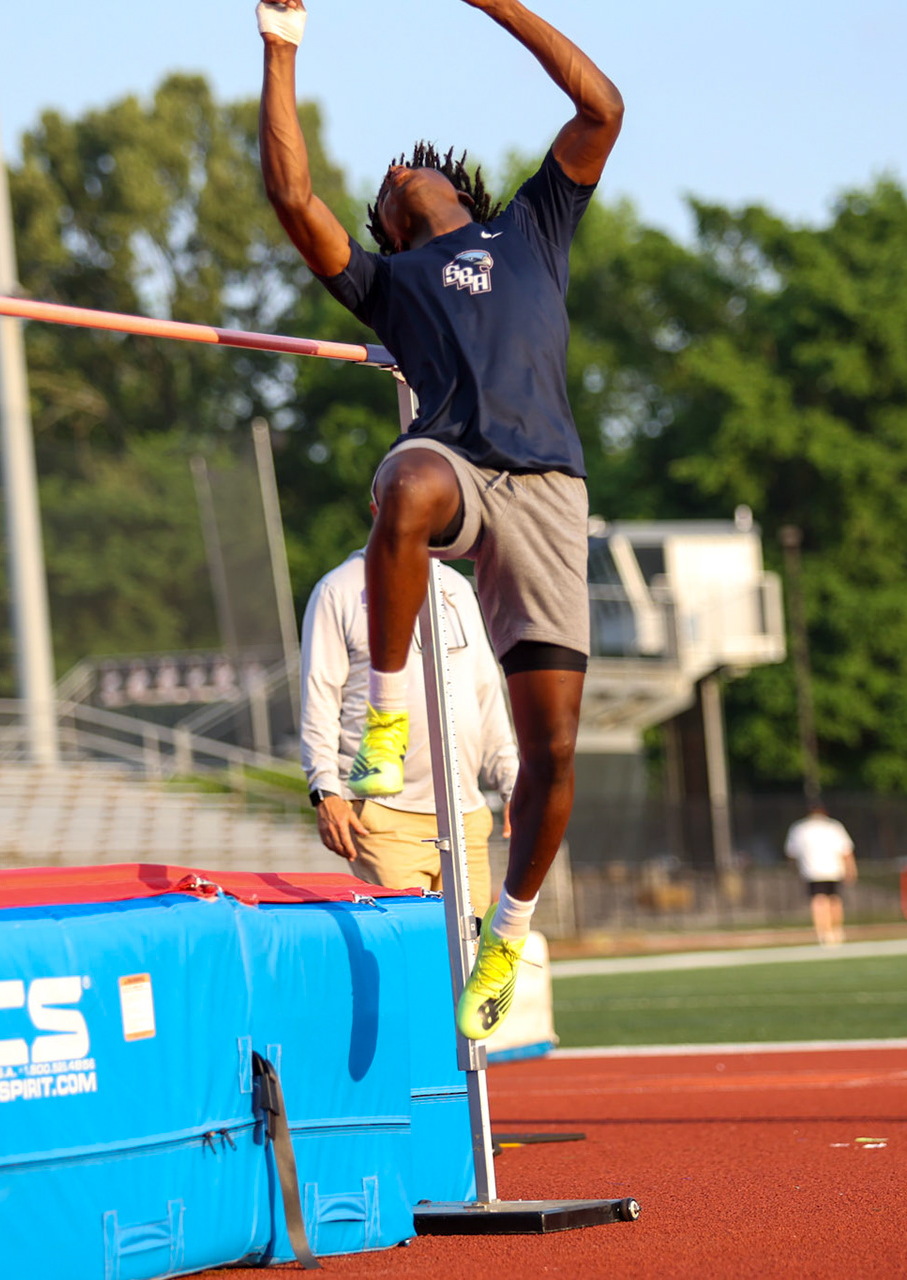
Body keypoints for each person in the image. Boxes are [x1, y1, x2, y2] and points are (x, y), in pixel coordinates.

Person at [256, 0, 622, 1040]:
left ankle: (508, 929)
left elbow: (602, 105)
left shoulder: (534, 225)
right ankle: (382, 716)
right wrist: (281, 44)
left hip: (547, 489)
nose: (394, 174)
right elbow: (291, 192)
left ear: (456, 184)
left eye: (408, 169)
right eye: (382, 185)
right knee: (405, 483)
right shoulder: (387, 281)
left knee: (553, 751)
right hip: (459, 470)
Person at [299, 548, 517, 912]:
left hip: (466, 816)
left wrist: (512, 784)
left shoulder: (456, 586)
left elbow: (486, 694)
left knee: (471, 957)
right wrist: (324, 792)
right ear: (376, 509)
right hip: (384, 819)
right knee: (407, 957)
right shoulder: (339, 589)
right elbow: (318, 697)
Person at [784, 806, 856, 946]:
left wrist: (794, 870)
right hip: (833, 870)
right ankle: (836, 930)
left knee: (819, 900)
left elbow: (791, 854)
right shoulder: (833, 827)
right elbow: (846, 851)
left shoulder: (799, 828)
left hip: (812, 870)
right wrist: (851, 869)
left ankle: (823, 932)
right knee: (833, 899)